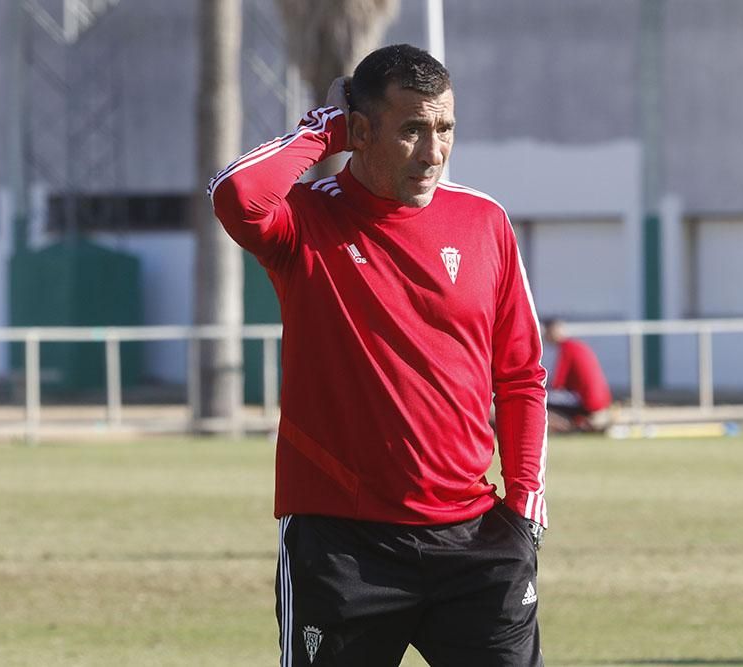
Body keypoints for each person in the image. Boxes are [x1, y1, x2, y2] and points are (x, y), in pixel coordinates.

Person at [209, 44, 547, 665]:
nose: (434, 151)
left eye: (444, 128)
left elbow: (522, 374)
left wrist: (524, 504)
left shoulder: (485, 222)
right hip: (343, 548)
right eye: (412, 129)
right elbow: (235, 194)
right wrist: (327, 129)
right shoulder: (304, 222)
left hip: (477, 542)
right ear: (362, 131)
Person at [542, 318, 612, 433]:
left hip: (586, 401)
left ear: (551, 331)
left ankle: (569, 428)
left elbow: (557, 383)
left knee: (540, 398)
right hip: (601, 401)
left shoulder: (567, 349)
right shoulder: (577, 346)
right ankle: (582, 425)